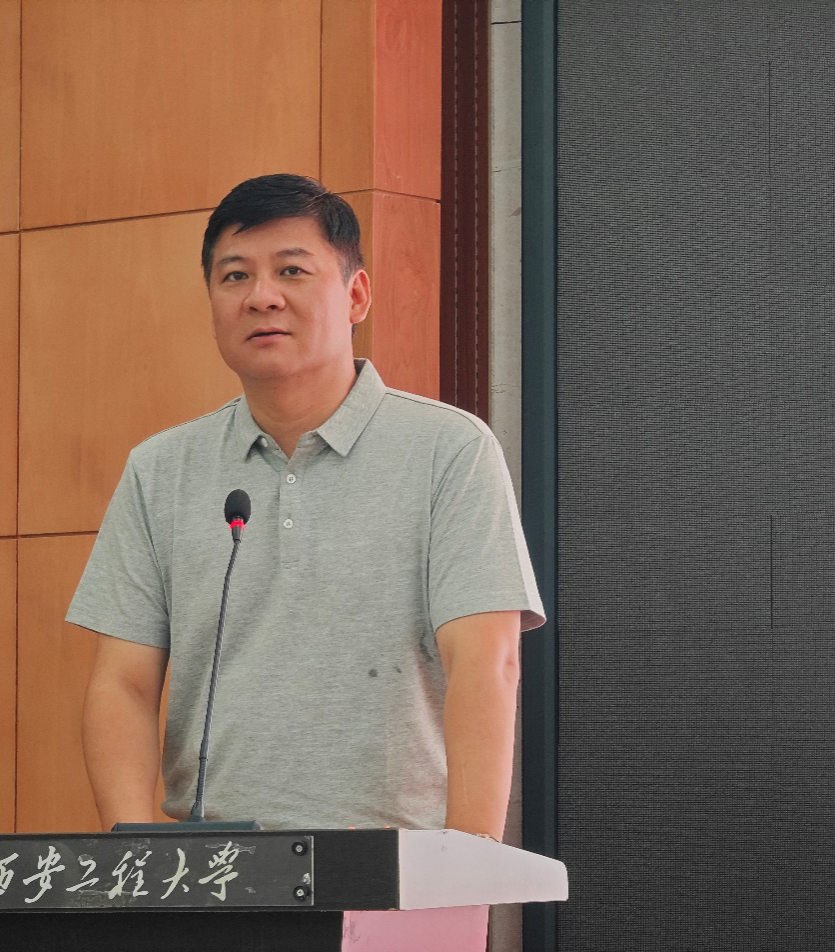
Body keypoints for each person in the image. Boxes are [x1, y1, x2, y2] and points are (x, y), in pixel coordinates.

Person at [67, 173, 544, 838]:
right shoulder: (161, 470)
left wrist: (468, 863)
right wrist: (138, 864)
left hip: (395, 862)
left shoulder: (449, 451)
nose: (261, 297)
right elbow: (123, 685)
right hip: (212, 868)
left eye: (291, 270)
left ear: (356, 295)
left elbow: (486, 663)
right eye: (234, 276)